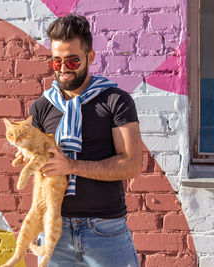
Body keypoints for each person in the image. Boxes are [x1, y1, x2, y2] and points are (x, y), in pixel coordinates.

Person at [28, 14, 142, 266]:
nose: (64, 68)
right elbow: (39, 175)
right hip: (54, 233)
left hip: (105, 232)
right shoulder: (41, 107)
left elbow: (132, 165)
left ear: (90, 58)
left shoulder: (115, 101)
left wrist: (71, 166)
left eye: (72, 60)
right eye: (57, 62)